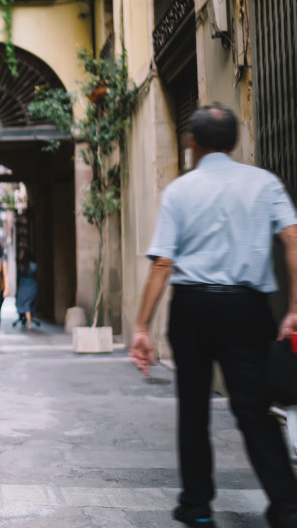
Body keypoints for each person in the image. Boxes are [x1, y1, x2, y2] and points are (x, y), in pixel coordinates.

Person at [129, 105, 297, 528]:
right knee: (253, 406)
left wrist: (142, 326)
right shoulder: (264, 183)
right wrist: (294, 308)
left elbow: (163, 263)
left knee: (193, 407)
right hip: (247, 307)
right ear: (236, 141)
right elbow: (293, 238)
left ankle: (197, 505)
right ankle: (287, 505)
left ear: (193, 143)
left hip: (193, 307)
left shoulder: (181, 191)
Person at [15, 250, 39, 329]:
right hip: (32, 286)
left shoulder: (21, 266)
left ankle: (29, 322)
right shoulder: (34, 266)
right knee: (29, 303)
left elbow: (18, 278)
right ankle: (29, 320)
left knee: (26, 304)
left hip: (23, 286)